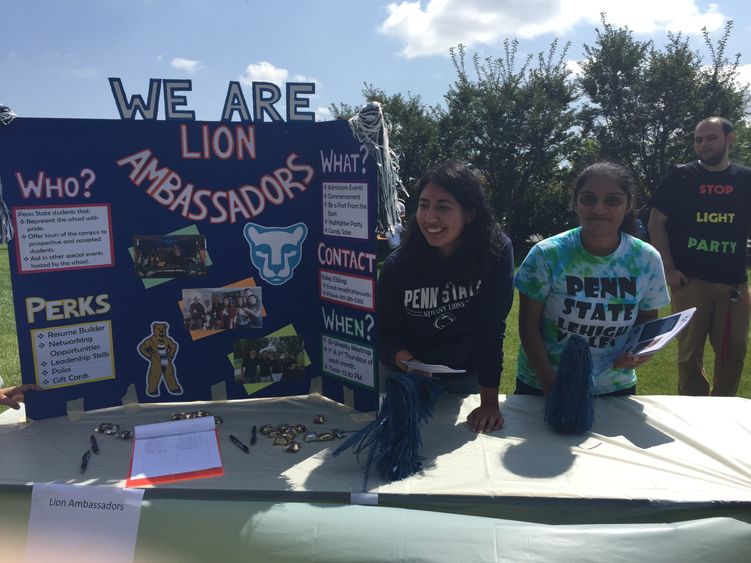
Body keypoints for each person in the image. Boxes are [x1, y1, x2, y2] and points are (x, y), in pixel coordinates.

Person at [378, 160, 515, 433]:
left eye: (443, 207)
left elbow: (491, 328)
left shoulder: (494, 252)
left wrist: (489, 404)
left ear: (470, 212)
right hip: (404, 374)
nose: (429, 218)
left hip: (464, 375)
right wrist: (406, 362)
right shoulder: (399, 264)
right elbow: (382, 332)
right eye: (424, 205)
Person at [516, 162, 670, 397]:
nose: (599, 209)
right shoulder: (547, 254)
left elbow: (647, 317)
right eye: (588, 199)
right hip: (543, 382)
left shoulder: (646, 259)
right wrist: (551, 385)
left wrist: (637, 350)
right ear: (575, 202)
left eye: (612, 200)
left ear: (628, 204)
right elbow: (528, 326)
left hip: (614, 384)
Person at [648, 117, 751, 396]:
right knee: (689, 355)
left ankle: (723, 410)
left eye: (711, 138)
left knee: (733, 353)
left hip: (734, 286)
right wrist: (668, 269)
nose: (703, 145)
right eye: (698, 139)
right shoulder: (681, 176)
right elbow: (656, 221)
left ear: (729, 138)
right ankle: (693, 413)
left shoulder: (745, 179)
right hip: (691, 282)